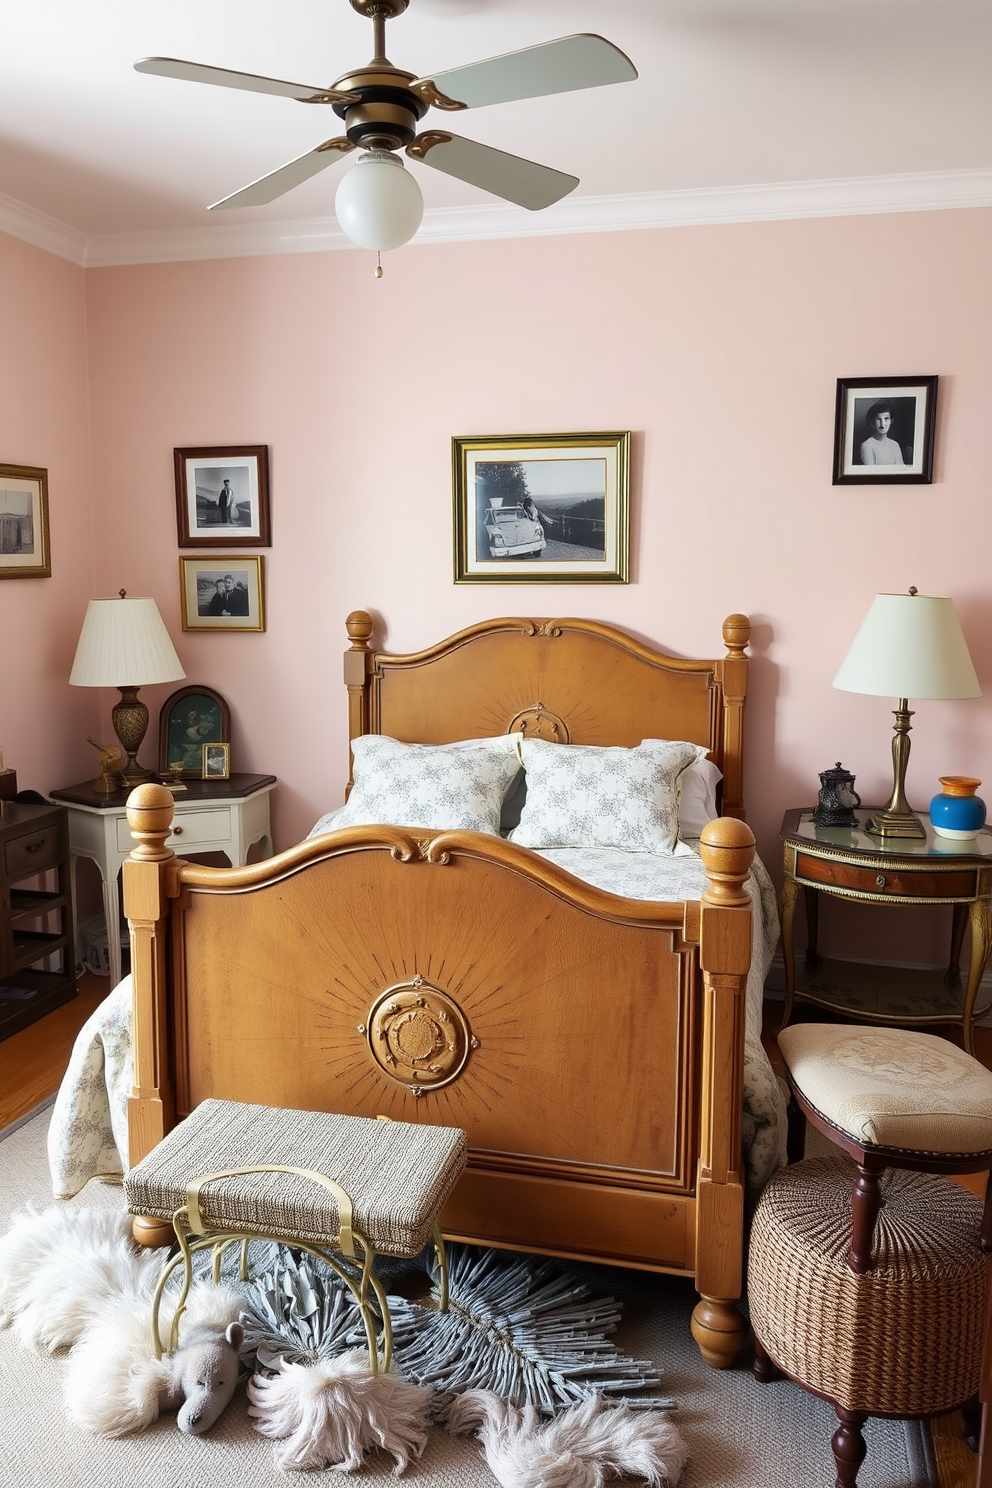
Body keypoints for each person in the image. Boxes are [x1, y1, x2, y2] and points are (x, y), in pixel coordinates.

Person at [859, 402, 905, 466]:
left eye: (886, 419)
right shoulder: (867, 446)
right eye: (878, 419)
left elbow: (901, 470)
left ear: (891, 421)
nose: (883, 424)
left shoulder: (895, 445)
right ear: (872, 423)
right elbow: (871, 473)